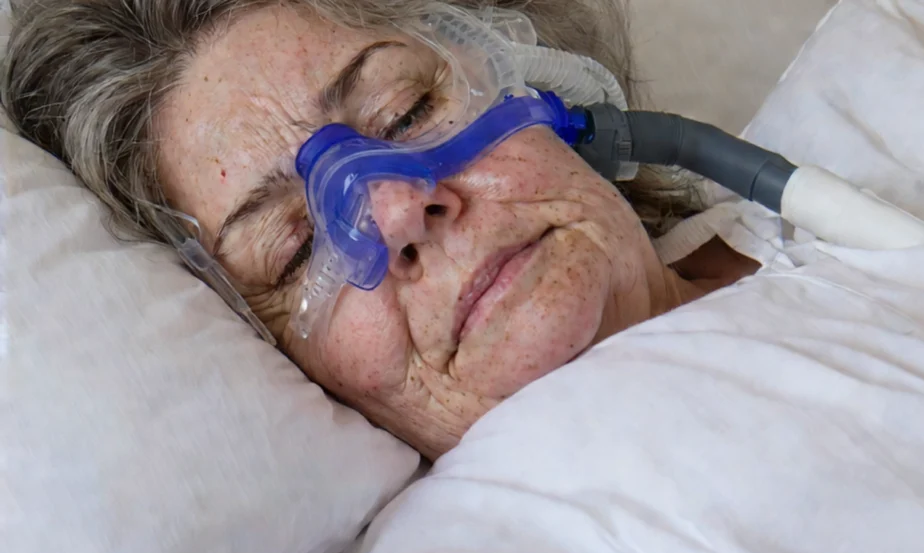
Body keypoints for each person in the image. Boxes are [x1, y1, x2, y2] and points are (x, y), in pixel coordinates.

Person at [1, 0, 760, 458]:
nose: (398, 210)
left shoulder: (852, 137)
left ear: (534, 76)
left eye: (406, 112)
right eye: (299, 246)